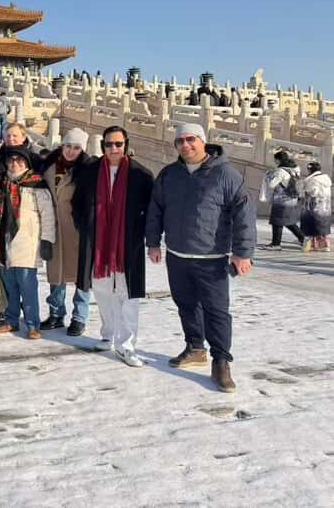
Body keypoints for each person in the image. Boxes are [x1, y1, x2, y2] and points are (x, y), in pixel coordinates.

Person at [146, 123, 256, 393]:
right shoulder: (169, 174)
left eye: (191, 139)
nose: (186, 145)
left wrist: (243, 253)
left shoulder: (226, 174)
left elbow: (244, 215)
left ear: (203, 142)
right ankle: (195, 347)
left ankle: (221, 361)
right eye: (180, 141)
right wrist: (152, 242)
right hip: (177, 255)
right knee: (185, 304)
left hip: (212, 257)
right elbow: (155, 209)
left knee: (216, 312)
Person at [72, 126, 154, 367]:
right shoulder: (91, 171)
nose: (114, 149)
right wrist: (84, 226)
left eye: (118, 144)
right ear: (103, 147)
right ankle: (107, 335)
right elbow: (77, 203)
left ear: (126, 144)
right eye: (109, 145)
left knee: (128, 295)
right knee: (102, 291)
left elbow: (152, 210)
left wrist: (146, 236)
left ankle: (127, 345)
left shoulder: (141, 174)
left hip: (128, 245)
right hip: (97, 244)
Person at [0, 145, 55, 339]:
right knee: (10, 286)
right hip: (5, 242)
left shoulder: (36, 184)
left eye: (19, 160)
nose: (15, 163)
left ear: (26, 163)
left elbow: (47, 215)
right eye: (11, 160)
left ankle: (32, 324)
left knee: (28, 286)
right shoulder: (2, 183)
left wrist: (47, 240)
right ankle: (11, 320)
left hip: (28, 243)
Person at [41, 128, 92, 336]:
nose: (71, 151)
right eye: (68, 146)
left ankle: (79, 317)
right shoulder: (49, 165)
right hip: (52, 226)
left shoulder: (87, 170)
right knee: (56, 272)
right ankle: (56, 313)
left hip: (77, 229)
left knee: (82, 274)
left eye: (77, 148)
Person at [258, 151, 305, 250]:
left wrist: (268, 176)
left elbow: (272, 184)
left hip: (281, 200)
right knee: (288, 221)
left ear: (278, 159)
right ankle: (303, 239)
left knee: (277, 221)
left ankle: (276, 244)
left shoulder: (280, 171)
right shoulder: (295, 168)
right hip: (292, 199)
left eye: (275, 159)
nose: (274, 161)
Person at [299, 161, 332, 252]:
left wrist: (304, 190)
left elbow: (313, 192)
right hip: (325, 207)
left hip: (313, 207)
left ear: (310, 170)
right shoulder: (325, 178)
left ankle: (309, 246)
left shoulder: (313, 180)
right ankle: (325, 246)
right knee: (323, 226)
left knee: (310, 226)